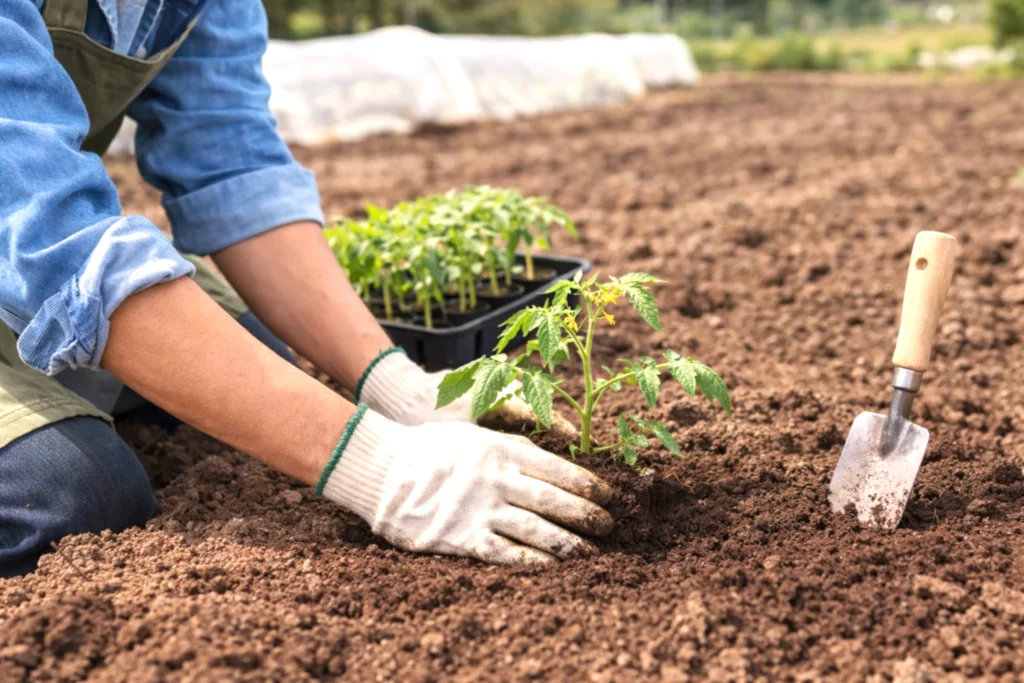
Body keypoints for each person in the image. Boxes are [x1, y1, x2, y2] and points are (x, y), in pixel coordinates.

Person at [0, 0, 613, 577]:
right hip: (32, 233)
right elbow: (52, 232)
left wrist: (395, 386)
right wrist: (384, 469)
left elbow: (234, 165)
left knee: (261, 354)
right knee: (73, 498)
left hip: (26, 250)